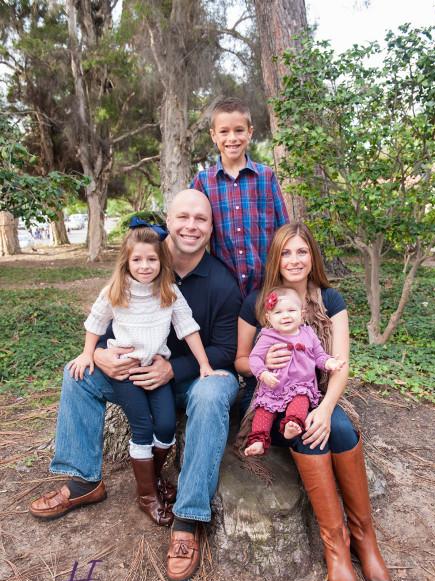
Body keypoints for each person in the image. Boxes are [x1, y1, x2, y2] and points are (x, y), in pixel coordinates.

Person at [29, 189, 241, 581]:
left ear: (212, 229)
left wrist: (172, 369)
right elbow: (108, 323)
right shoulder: (137, 268)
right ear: (168, 224)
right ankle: (83, 480)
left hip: (191, 380)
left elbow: (226, 349)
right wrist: (101, 356)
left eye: (201, 219)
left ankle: (187, 517)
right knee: (77, 372)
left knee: (213, 393)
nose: (191, 226)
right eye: (183, 217)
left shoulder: (222, 283)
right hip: (133, 375)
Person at [235, 223, 392, 581]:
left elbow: (340, 365)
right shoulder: (258, 301)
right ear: (276, 258)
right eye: (286, 252)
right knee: (306, 430)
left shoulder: (331, 299)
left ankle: (363, 536)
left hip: (316, 392)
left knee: (339, 431)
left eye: (302, 251)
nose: (294, 259)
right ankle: (335, 545)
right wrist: (262, 362)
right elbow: (240, 360)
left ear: (312, 257)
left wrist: (325, 408)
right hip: (269, 396)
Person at [68, 217, 226, 527]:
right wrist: (90, 353)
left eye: (151, 259)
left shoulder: (167, 291)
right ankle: (146, 495)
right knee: (142, 427)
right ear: (126, 262)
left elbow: (188, 328)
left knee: (165, 426)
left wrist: (205, 365)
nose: (144, 265)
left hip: (154, 369)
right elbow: (96, 323)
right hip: (124, 371)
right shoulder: (116, 290)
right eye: (137, 259)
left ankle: (150, 480)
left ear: (161, 260)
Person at [190, 97, 290, 298]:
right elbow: (190, 229)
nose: (232, 138)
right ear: (213, 135)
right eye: (224, 131)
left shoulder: (266, 176)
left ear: (250, 133)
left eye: (239, 130)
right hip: (223, 289)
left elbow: (284, 231)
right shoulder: (203, 181)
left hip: (266, 286)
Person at [245, 286, 346, 456]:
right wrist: (263, 373)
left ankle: (292, 425)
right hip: (274, 387)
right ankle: (258, 441)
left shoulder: (308, 334)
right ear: (269, 318)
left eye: (291, 310)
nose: (285, 316)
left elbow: (319, 356)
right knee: (263, 412)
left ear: (302, 314)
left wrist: (329, 363)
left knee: (301, 402)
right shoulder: (268, 337)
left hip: (301, 386)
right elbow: (254, 358)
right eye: (278, 313)